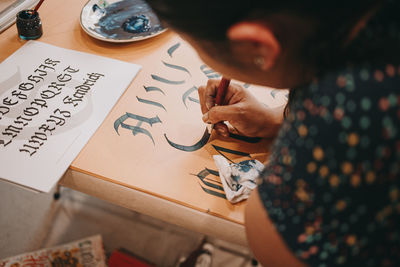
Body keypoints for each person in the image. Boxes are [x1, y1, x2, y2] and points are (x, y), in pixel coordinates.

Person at [146, 0, 400, 266]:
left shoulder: (343, 107)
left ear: (257, 47)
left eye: (198, 49)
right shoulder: (364, 23)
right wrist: (276, 119)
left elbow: (285, 246)